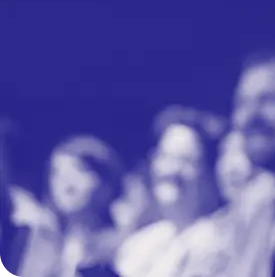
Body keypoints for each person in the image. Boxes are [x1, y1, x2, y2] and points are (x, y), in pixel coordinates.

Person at [114, 106, 227, 277]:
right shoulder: (140, 243)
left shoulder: (218, 243)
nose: (171, 170)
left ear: (210, 173)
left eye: (186, 160)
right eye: (165, 157)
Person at [42, 135, 126, 277]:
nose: (66, 181)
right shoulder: (45, 249)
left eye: (79, 169)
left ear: (108, 185)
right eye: (56, 172)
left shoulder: (125, 248)